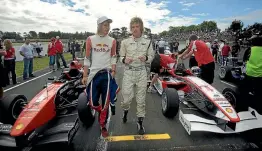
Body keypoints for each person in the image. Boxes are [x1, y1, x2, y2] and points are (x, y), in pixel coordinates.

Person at [82, 16, 119, 138]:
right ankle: (101, 111)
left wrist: (113, 70)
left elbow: (113, 57)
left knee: (105, 102)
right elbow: (87, 58)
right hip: (94, 75)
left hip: (107, 74)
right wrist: (85, 74)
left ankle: (102, 124)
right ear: (99, 25)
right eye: (105, 25)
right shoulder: (90, 39)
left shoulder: (112, 40)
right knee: (92, 102)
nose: (107, 27)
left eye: (108, 25)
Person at [119, 17, 154, 135]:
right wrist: (124, 60)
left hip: (141, 72)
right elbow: (120, 57)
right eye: (132, 27)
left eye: (137, 26)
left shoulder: (148, 42)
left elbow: (151, 57)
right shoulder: (125, 42)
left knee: (141, 99)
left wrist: (146, 58)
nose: (134, 29)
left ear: (141, 28)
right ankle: (125, 111)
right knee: (127, 98)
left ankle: (140, 122)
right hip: (129, 72)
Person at [238, 34, 262, 114]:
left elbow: (243, 61)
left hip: (249, 74)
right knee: (259, 94)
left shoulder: (250, 50)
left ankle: (242, 110)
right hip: (260, 76)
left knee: (242, 92)